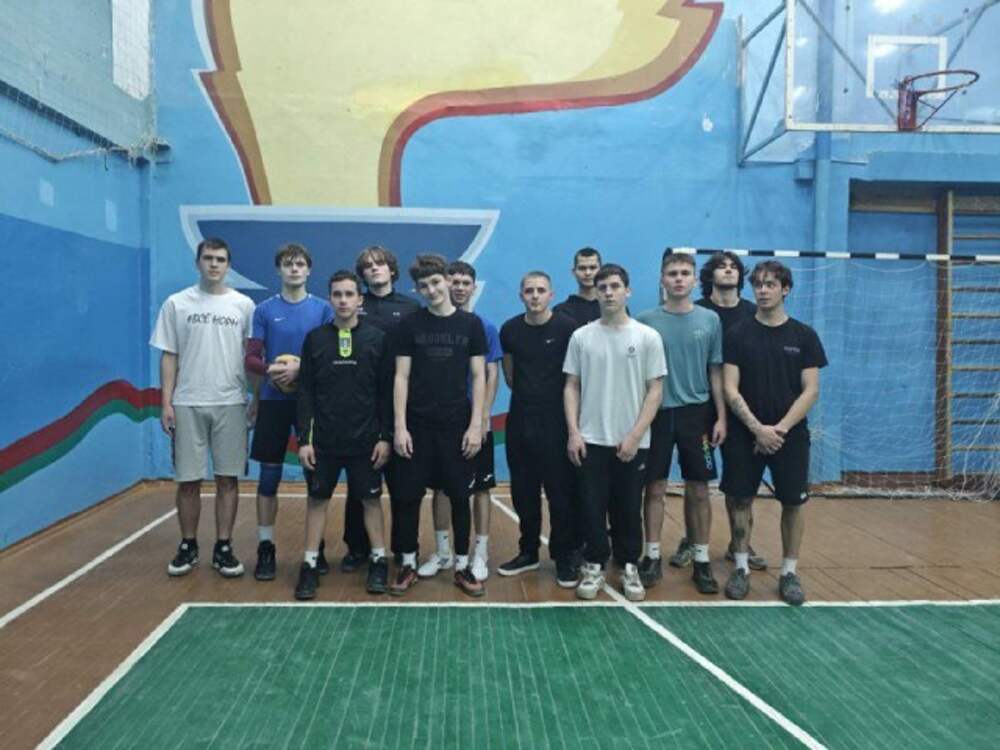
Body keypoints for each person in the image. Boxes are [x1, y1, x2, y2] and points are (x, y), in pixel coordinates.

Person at [722, 260, 827, 606]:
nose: (763, 290)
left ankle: (789, 573)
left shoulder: (804, 336)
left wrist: (779, 429)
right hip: (744, 434)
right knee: (740, 499)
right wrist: (756, 428)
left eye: (770, 284)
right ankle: (740, 568)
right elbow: (730, 388)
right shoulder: (737, 334)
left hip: (789, 436)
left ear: (786, 289)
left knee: (793, 503)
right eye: (758, 285)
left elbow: (811, 390)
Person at [151, 238, 255, 578]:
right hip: (187, 403)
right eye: (208, 258)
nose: (214, 264)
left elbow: (252, 357)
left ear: (228, 265)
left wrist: (254, 398)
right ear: (198, 263)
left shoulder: (244, 305)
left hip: (231, 403)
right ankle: (188, 545)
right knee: (188, 481)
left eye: (220, 259)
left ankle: (224, 547)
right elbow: (169, 355)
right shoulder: (176, 303)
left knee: (228, 479)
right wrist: (166, 403)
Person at [564, 263, 666, 601]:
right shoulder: (581, 337)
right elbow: (571, 385)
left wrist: (635, 435)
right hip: (591, 440)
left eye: (615, 286)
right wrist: (574, 432)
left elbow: (655, 391)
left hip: (633, 442)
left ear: (627, 291)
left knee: (628, 508)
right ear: (595, 292)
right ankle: (594, 564)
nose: (608, 292)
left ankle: (629, 565)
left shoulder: (647, 337)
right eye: (603, 287)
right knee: (591, 507)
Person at [390, 254, 488, 597]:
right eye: (423, 286)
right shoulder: (409, 325)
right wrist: (400, 427)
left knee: (459, 496)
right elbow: (401, 377)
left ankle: (461, 567)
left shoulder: (471, 325)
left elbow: (479, 376)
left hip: (456, 426)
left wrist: (475, 425)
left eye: (435, 282)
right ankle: (407, 563)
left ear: (448, 280)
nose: (431, 290)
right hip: (417, 427)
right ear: (417, 289)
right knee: (407, 497)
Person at [294, 271, 392, 599]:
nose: (344, 300)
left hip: (367, 441)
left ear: (360, 299)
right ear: (330, 299)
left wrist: (385, 437)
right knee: (317, 500)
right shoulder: (315, 339)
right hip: (324, 442)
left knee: (371, 500)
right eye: (337, 294)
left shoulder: (378, 339)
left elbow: (385, 394)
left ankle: (379, 560)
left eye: (350, 294)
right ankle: (309, 564)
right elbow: (305, 392)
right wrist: (304, 440)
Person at [636, 250, 725, 594]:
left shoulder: (710, 320)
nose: (678, 279)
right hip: (657, 414)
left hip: (696, 415)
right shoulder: (645, 321)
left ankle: (701, 560)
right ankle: (651, 555)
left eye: (685, 273)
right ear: (662, 279)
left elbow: (715, 371)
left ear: (694, 279)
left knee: (699, 489)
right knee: (654, 487)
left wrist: (721, 416)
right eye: (672, 273)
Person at [244, 243, 333, 581]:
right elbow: (251, 358)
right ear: (279, 269)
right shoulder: (264, 311)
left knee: (315, 479)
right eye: (287, 264)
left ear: (309, 270)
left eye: (299, 264)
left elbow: (328, 358)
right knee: (268, 478)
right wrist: (272, 371)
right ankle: (266, 548)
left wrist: (300, 371)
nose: (294, 269)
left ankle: (316, 548)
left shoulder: (323, 310)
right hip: (273, 402)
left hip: (312, 404)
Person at [417, 261, 502, 582]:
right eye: (455, 282)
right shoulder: (428, 325)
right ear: (445, 284)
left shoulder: (483, 327)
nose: (460, 288)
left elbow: (490, 375)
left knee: (480, 488)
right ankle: (443, 552)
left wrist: (481, 419)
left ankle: (480, 552)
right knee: (440, 487)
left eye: (466, 283)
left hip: (474, 422)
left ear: (473, 287)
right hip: (441, 422)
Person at [498, 271, 580, 586]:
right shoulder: (510, 330)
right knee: (523, 491)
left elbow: (574, 377)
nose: (535, 296)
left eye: (541, 290)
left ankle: (563, 556)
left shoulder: (567, 328)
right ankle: (528, 552)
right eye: (529, 290)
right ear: (521, 295)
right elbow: (510, 376)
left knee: (560, 493)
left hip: (557, 422)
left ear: (551, 294)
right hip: (521, 422)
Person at [692, 251, 767, 572]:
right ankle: (693, 541)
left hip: (740, 410)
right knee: (697, 481)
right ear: (710, 274)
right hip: (701, 410)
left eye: (733, 267)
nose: (728, 271)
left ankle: (741, 544)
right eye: (721, 267)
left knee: (741, 485)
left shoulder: (753, 313)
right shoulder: (696, 312)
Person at [349, 245, 421, 571]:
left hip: (401, 406)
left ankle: (405, 550)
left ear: (392, 270)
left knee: (404, 487)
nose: (374, 269)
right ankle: (358, 548)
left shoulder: (410, 308)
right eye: (367, 266)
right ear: (362, 275)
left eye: (379, 264)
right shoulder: (355, 305)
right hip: (361, 405)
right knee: (361, 485)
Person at [553, 246, 601, 327]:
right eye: (582, 268)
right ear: (574, 272)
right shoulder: (561, 311)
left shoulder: (611, 308)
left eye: (592, 268)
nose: (588, 273)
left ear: (601, 271)